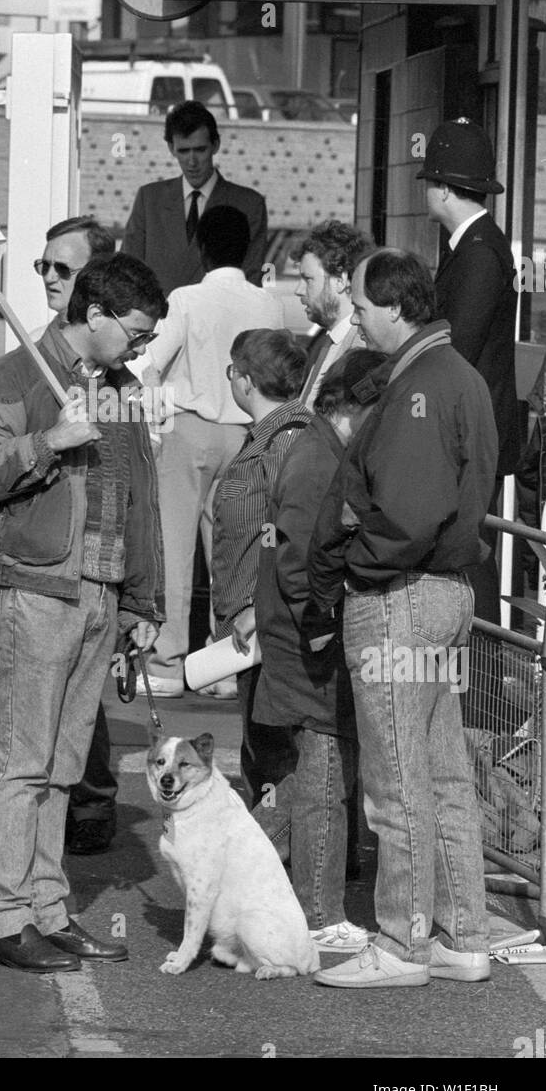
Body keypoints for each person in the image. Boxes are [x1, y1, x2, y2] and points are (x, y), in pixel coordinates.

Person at [0, 252, 166, 973]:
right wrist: (48, 441)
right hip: (37, 589)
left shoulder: (122, 389)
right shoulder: (14, 377)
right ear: (97, 315)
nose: (142, 345)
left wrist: (144, 601)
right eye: (135, 331)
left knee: (62, 765)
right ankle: (2, 918)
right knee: (23, 761)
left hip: (100, 595)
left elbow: (142, 497)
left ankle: (46, 909)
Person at [307, 249, 496, 989]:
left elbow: (408, 515)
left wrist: (355, 561)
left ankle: (401, 942)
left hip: (402, 595)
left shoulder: (420, 383)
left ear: (391, 306)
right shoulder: (459, 374)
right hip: (444, 593)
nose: (354, 317)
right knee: (442, 772)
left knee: (396, 780)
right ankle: (460, 937)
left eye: (359, 304)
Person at [254, 348, 386, 953]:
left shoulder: (320, 449)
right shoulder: (316, 459)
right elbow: (297, 558)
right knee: (325, 774)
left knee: (308, 775)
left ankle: (234, 870)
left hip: (301, 629)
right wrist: (323, 625)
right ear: (352, 406)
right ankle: (318, 912)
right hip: (307, 633)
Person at [134, 205, 284, 696]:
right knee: (235, 552)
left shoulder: (186, 298)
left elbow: (149, 361)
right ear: (248, 249)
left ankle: (166, 666)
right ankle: (224, 666)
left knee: (173, 552)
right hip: (246, 435)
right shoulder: (270, 305)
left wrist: (157, 409)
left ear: (199, 245)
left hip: (189, 429)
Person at [420, 118, 520, 730]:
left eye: (430, 179)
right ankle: (472, 707)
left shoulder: (480, 253)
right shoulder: (473, 246)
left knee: (472, 566)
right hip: (470, 430)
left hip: (474, 435)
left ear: (445, 189)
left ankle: (480, 712)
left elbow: (454, 341)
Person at [31, 213, 121, 857]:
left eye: (63, 268)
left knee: (79, 697)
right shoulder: (32, 354)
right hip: (41, 559)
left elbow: (131, 483)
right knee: (40, 703)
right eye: (44, 267)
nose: (49, 279)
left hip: (95, 557)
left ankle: (88, 801)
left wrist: (145, 597)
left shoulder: (121, 378)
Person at [211, 328, 310, 810]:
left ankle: (284, 860)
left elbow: (294, 533)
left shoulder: (283, 441)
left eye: (232, 371)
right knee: (266, 747)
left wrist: (256, 605)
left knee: (273, 750)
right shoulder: (274, 437)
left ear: (246, 381)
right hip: (263, 617)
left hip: (269, 622)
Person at [122, 100, 268, 295]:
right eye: (183, 151)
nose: (192, 162)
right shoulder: (149, 200)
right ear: (171, 148)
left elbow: (251, 282)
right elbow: (126, 275)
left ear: (215, 145)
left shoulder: (249, 205)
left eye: (200, 150)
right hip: (157, 323)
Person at [292, 221, 374, 407]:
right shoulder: (328, 341)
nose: (299, 289)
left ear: (341, 280)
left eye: (308, 279)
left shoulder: (361, 349)